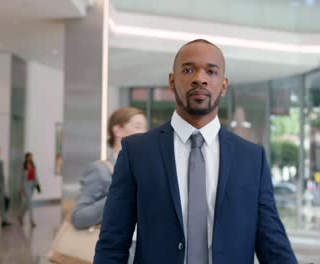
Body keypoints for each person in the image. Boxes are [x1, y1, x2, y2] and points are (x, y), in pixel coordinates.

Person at [94, 39, 297, 264]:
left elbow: (273, 244)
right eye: (188, 70)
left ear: (223, 84)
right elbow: (112, 243)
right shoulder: (136, 152)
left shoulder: (251, 158)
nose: (199, 78)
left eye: (211, 72)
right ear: (172, 81)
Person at [71, 107, 147, 263]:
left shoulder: (147, 168)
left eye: (145, 128)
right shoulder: (100, 169)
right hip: (119, 252)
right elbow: (79, 218)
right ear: (117, 130)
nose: (145, 133)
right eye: (138, 126)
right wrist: (119, 196)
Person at [18, 152, 40, 227]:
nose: (30, 158)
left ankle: (20, 216)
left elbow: (35, 176)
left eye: (31, 157)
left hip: (32, 186)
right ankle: (32, 220)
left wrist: (38, 185)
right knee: (30, 203)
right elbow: (20, 177)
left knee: (27, 203)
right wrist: (20, 187)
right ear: (26, 157)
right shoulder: (23, 166)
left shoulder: (33, 165)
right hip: (25, 186)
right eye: (29, 157)